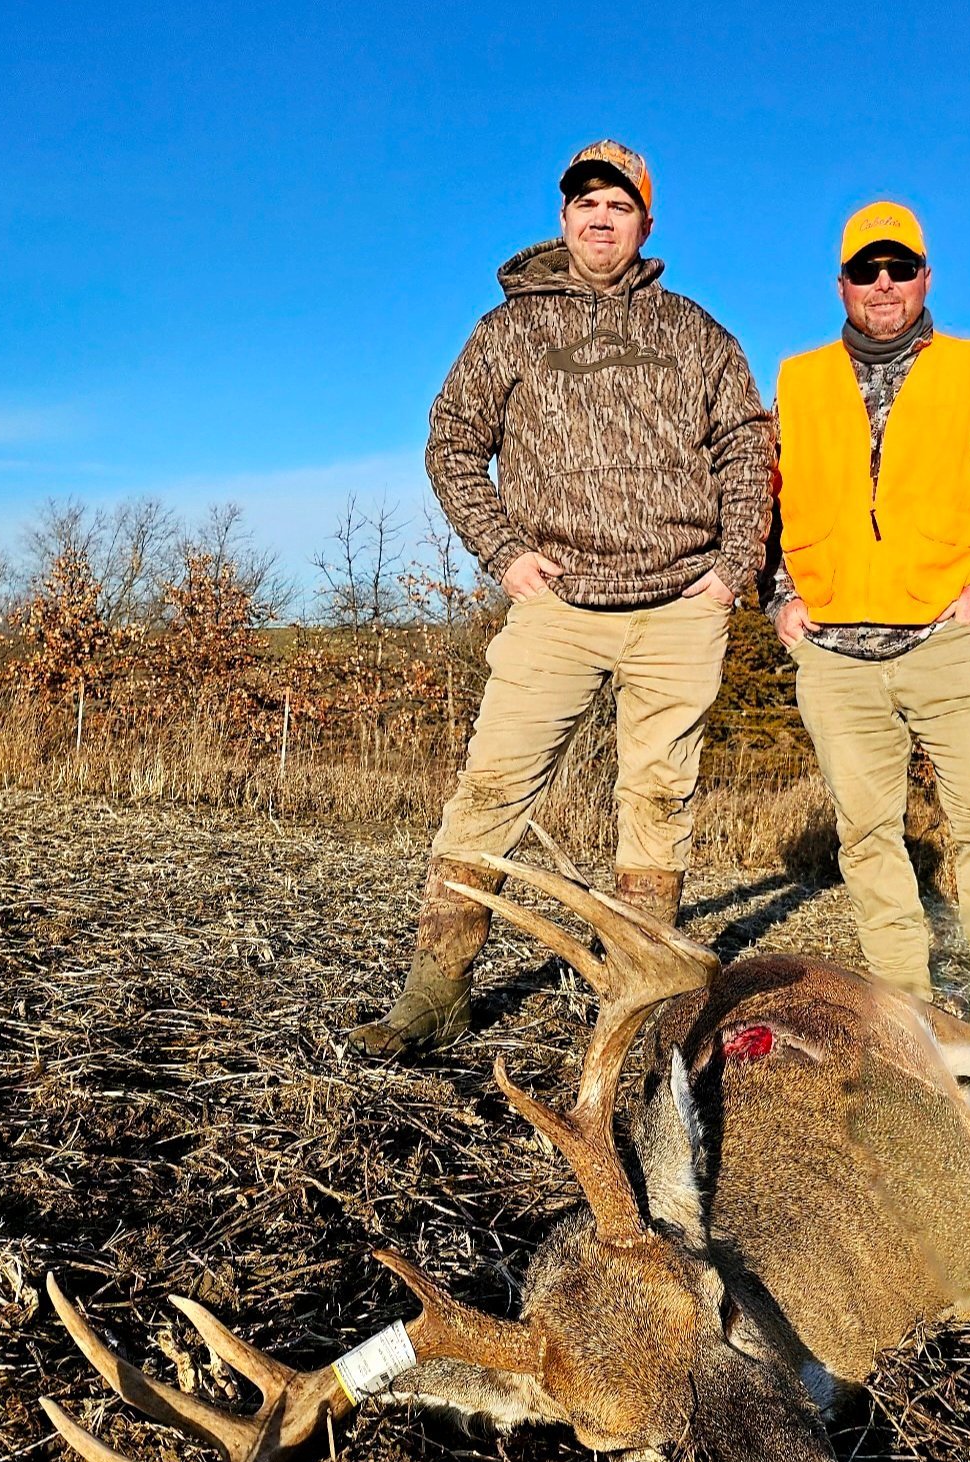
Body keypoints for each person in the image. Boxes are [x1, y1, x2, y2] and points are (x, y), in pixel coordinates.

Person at [350, 140, 773, 1057]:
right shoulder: (507, 330)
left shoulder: (697, 333)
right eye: (584, 201)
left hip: (676, 606)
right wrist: (502, 549)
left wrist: (732, 567)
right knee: (491, 789)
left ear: (644, 224)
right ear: (562, 218)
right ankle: (436, 991)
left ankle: (642, 1005)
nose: (599, 216)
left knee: (657, 800)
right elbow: (452, 441)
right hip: (556, 606)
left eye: (618, 205)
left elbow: (747, 446)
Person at [765, 200, 970, 1057]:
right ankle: (905, 1015)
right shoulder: (798, 380)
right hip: (834, 654)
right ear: (841, 284)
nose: (882, 284)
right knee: (866, 833)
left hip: (949, 641)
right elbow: (767, 501)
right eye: (865, 270)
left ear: (925, 277)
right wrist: (779, 596)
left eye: (899, 268)